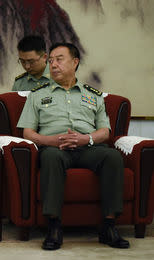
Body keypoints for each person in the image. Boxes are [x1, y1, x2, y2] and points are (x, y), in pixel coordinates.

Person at [17, 43, 129, 251]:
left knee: (112, 157)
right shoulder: (37, 95)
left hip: (88, 148)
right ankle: (54, 227)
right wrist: (51, 140)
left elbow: (105, 132)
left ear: (75, 62)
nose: (53, 64)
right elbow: (28, 133)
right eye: (50, 60)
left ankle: (109, 226)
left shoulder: (94, 95)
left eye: (59, 59)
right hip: (54, 148)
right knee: (51, 157)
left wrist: (85, 139)